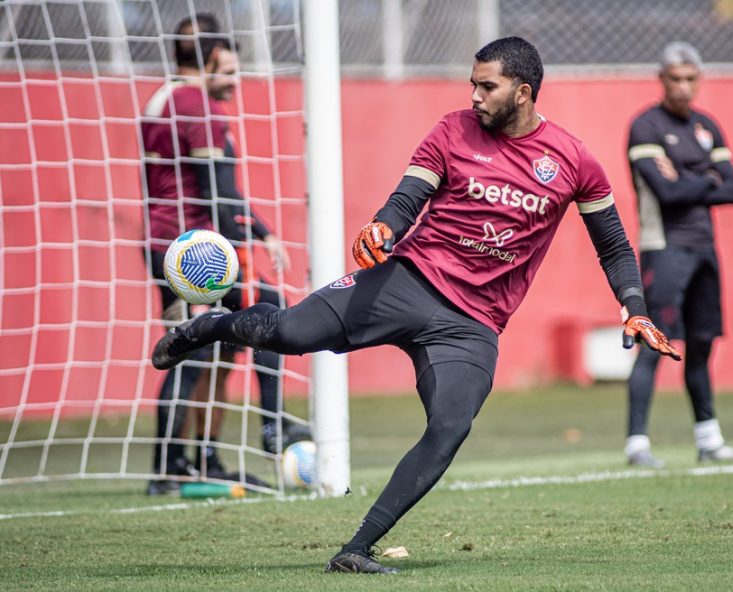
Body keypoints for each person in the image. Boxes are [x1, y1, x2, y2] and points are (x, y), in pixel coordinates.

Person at [152, 36, 681, 573]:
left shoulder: (574, 161)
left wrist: (633, 306)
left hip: (472, 326)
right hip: (406, 281)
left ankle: (356, 549)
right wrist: (384, 224)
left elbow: (613, 245)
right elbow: (409, 198)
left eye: (487, 86)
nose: (474, 95)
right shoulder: (452, 130)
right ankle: (212, 325)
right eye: (472, 83)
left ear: (523, 93)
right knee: (288, 334)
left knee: (450, 427)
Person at [142, 14, 309, 495]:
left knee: (215, 349)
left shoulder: (163, 99)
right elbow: (220, 190)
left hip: (169, 244)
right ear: (207, 60)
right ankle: (269, 428)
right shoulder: (196, 106)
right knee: (263, 310)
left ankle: (198, 460)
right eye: (230, 71)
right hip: (195, 252)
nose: (236, 81)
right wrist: (263, 233)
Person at [623, 42, 733, 469]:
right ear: (662, 79)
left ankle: (709, 439)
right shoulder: (645, 127)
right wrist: (706, 178)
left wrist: (686, 178)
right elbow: (666, 193)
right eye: (675, 78)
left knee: (701, 344)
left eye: (690, 79)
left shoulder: (707, 126)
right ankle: (637, 444)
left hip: (704, 249)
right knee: (653, 345)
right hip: (663, 248)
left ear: (699, 80)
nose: (683, 87)